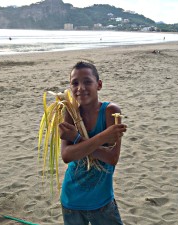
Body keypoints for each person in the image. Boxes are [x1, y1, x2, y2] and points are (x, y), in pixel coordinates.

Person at [58, 61, 127, 225]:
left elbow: (111, 158)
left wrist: (77, 139)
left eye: (87, 81)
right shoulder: (69, 112)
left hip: (102, 202)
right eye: (75, 83)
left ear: (99, 85)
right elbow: (67, 155)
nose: (80, 88)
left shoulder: (111, 111)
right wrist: (103, 137)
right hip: (72, 201)